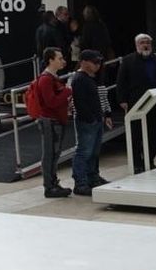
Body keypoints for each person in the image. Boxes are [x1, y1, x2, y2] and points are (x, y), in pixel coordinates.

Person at [114, 33, 156, 172]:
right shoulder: (128, 61)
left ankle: (149, 161)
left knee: (154, 134)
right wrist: (122, 100)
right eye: (142, 43)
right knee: (136, 134)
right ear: (136, 45)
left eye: (147, 42)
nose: (145, 45)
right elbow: (121, 81)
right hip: (136, 103)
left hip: (155, 103)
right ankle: (137, 164)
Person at [30, 48, 74, 198]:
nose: (63, 61)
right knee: (50, 154)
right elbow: (51, 102)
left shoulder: (52, 78)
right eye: (59, 58)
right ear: (51, 60)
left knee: (55, 154)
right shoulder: (46, 79)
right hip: (50, 121)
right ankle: (49, 186)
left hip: (55, 120)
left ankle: (53, 183)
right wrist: (67, 91)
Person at [69, 51, 113, 195]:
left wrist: (103, 115)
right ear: (83, 62)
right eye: (94, 62)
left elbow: (100, 98)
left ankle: (93, 177)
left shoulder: (91, 78)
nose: (97, 65)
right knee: (84, 151)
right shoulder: (79, 79)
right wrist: (90, 118)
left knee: (94, 151)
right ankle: (80, 183)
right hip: (87, 121)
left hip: (95, 119)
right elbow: (79, 102)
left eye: (99, 62)